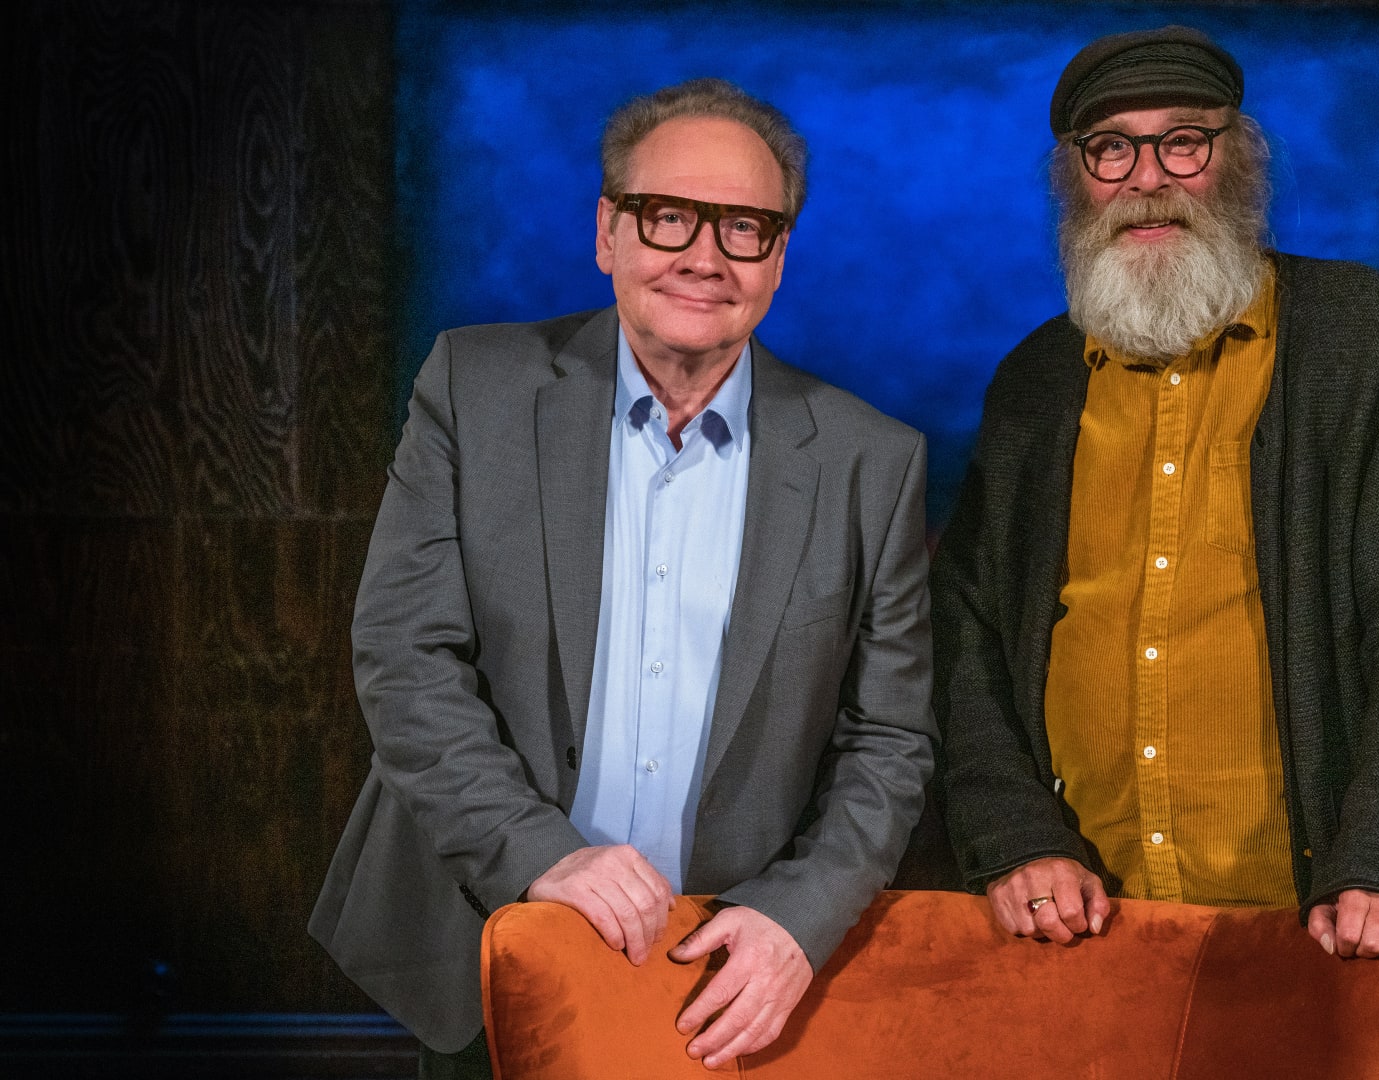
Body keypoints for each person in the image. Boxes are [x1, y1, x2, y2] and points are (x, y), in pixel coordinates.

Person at [309, 79, 935, 1076]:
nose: (704, 256)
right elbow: (406, 656)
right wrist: (540, 854)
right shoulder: (475, 389)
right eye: (667, 215)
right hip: (492, 937)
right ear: (608, 232)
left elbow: (888, 740)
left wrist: (798, 917)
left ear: (780, 258)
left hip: (726, 971)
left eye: (744, 227)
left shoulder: (873, 461)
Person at [932, 27, 1379, 1033]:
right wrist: (1014, 837)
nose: (1147, 177)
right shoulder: (1032, 384)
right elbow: (967, 641)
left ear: (1237, 161)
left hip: (1323, 931)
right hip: (1081, 939)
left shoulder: (1362, 337)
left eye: (1183, 142)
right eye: (1111, 148)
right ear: (1074, 180)